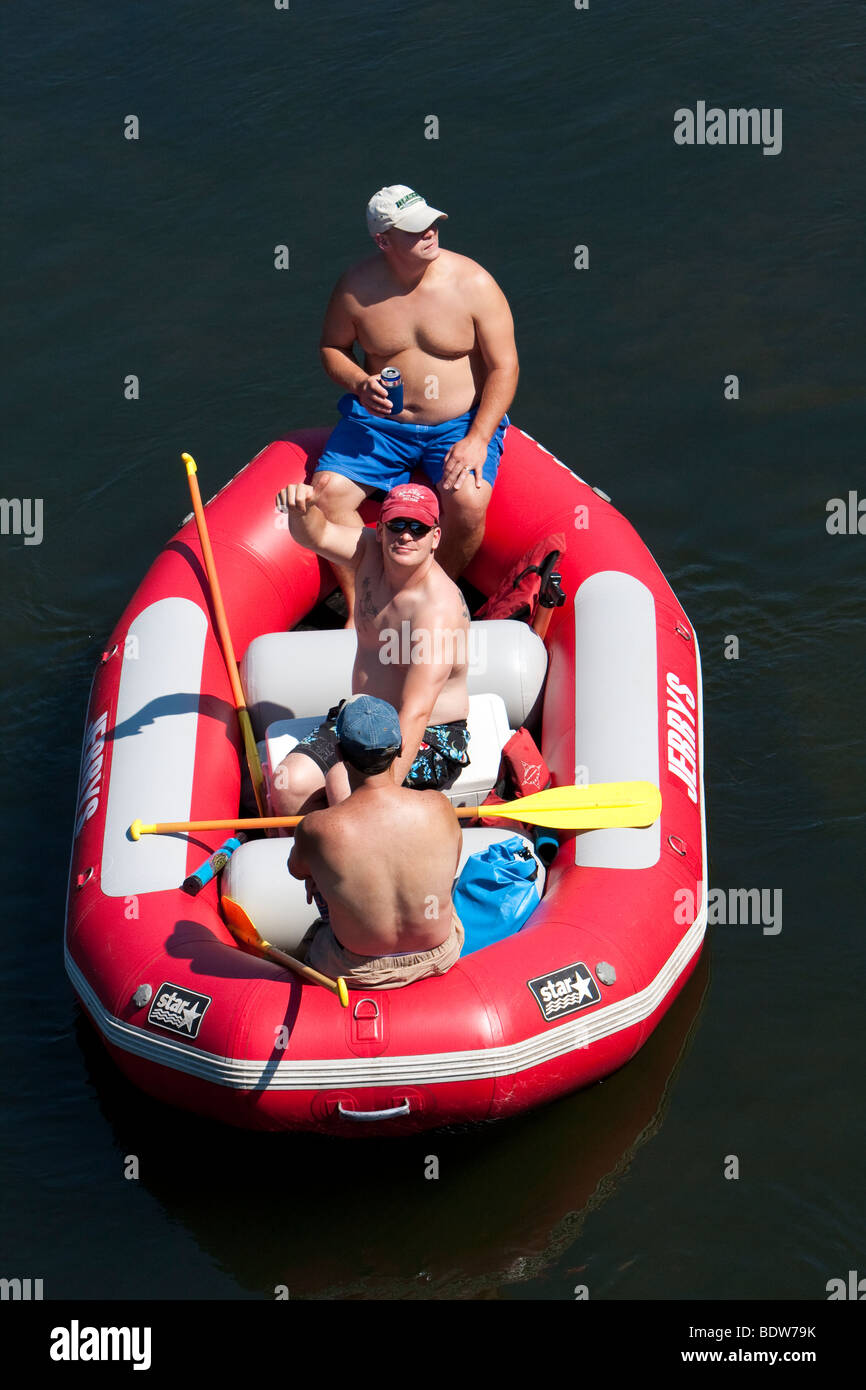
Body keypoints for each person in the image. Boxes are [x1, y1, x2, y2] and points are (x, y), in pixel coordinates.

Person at [312, 183, 519, 617]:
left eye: (430, 222)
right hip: (380, 425)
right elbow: (332, 348)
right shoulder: (355, 288)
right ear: (383, 240)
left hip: (458, 423)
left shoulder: (474, 283)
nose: (428, 232)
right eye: (413, 229)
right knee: (327, 495)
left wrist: (478, 438)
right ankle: (363, 608)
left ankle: (431, 594)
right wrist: (358, 383)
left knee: (467, 501)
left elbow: (505, 367)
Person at [272, 479, 471, 814]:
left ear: (435, 537)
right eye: (397, 525)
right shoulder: (367, 550)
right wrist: (300, 511)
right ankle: (306, 860)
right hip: (361, 716)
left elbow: (416, 711)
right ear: (379, 530)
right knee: (288, 784)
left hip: (429, 734)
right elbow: (316, 534)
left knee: (344, 787)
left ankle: (359, 857)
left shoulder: (437, 611)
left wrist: (378, 793)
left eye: (418, 528)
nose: (406, 535)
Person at [288, 694, 464, 989]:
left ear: (339, 753)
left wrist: (320, 871)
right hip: (439, 952)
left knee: (317, 914)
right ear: (402, 748)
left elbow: (297, 869)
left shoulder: (316, 827)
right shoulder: (439, 806)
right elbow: (449, 867)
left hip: (357, 966)